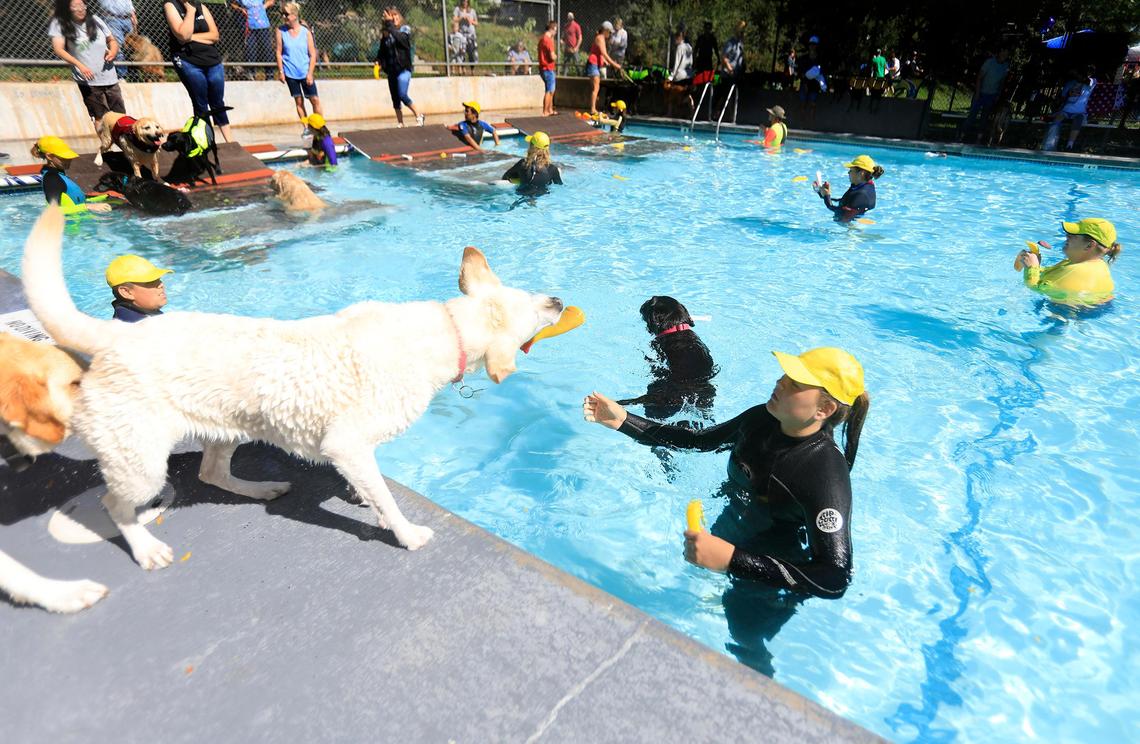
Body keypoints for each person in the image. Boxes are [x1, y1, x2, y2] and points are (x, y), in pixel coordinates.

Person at [582, 346, 870, 602]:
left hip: (774, 570)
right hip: (730, 526)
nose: (779, 382)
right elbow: (697, 441)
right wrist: (622, 420)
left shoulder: (825, 474)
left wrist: (733, 560)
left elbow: (834, 578)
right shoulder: (761, 419)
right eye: (784, 375)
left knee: (743, 638)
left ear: (824, 408)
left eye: (793, 382)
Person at [49, 0, 124, 137]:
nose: (80, 9)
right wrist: (80, 65)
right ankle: (107, 148)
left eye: (82, 5)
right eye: (75, 6)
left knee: (120, 115)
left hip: (109, 76)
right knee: (100, 116)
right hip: (88, 81)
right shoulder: (59, 24)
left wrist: (113, 51)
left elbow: (111, 40)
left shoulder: (95, 20)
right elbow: (58, 49)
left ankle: (123, 146)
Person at [164, 0, 233, 143]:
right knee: (200, 103)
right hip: (188, 61)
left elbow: (214, 35)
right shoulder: (171, 6)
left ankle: (230, 142)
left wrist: (191, 37)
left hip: (212, 60)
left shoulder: (201, 6)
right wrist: (190, 12)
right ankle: (207, 141)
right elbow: (182, 35)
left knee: (218, 102)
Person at [1014, 219, 1120, 306]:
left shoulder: (1077, 271)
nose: (1067, 236)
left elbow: (1035, 287)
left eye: (1073, 235)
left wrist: (1031, 269)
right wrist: (1036, 264)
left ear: (1089, 245)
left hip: (1073, 311)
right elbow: (1055, 275)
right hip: (1095, 305)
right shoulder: (1091, 263)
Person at [31, 135, 111, 213]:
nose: (68, 160)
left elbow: (78, 198)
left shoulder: (59, 175)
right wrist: (88, 207)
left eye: (68, 157)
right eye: (63, 157)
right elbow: (53, 211)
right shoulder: (52, 179)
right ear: (49, 156)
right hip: (70, 226)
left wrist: (106, 197)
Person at [375, 6, 424, 127]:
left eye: (396, 15)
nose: (394, 18)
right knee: (395, 98)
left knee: (402, 94)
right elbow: (382, 50)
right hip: (392, 70)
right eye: (392, 16)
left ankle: (419, 115)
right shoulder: (386, 33)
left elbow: (401, 40)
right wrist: (378, 60)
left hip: (403, 69)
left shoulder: (404, 29)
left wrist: (390, 24)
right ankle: (400, 122)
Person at [276, 2, 321, 128]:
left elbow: (312, 54)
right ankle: (306, 128)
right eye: (282, 14)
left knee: (314, 100)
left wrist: (310, 74)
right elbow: (279, 53)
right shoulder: (280, 31)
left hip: (305, 72)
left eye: (287, 14)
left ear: (295, 15)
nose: (284, 17)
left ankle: (319, 127)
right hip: (291, 73)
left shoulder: (305, 32)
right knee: (299, 101)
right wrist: (281, 72)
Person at [815, 155, 883, 223]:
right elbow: (847, 201)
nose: (848, 173)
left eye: (851, 170)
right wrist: (823, 193)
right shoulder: (861, 186)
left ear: (861, 173)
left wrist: (827, 197)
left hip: (852, 227)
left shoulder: (861, 194)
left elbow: (842, 215)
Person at [1043, 66, 1096, 152]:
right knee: (1056, 121)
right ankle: (1050, 145)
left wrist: (1083, 75)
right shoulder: (1070, 83)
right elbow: (1064, 97)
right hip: (1066, 110)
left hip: (1079, 112)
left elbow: (1090, 81)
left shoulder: (1091, 82)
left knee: (1078, 120)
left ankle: (1069, 145)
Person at [961, 48, 1009, 143]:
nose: (1004, 55)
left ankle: (979, 138)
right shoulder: (989, 63)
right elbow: (979, 77)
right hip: (981, 93)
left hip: (991, 95)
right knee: (972, 116)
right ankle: (961, 136)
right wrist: (978, 93)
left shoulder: (1005, 66)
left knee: (984, 118)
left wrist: (998, 94)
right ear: (999, 53)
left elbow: (1002, 82)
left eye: (1006, 54)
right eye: (1003, 52)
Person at [105, 255, 171, 322]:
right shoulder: (137, 327)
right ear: (126, 292)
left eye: (158, 279)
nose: (161, 284)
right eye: (150, 282)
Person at [501, 131, 562, 196]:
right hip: (544, 198)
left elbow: (505, 177)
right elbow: (559, 186)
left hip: (522, 195)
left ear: (532, 147)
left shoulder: (523, 164)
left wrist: (520, 178)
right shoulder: (553, 169)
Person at [230, 0, 274, 79]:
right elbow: (233, 4)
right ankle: (251, 74)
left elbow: (272, 1)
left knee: (267, 49)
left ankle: (270, 75)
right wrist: (241, 9)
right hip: (249, 27)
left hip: (263, 26)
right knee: (250, 50)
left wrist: (264, 6)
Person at [586, 22, 622, 115]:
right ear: (605, 30)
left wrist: (605, 62)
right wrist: (615, 64)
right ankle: (592, 110)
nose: (610, 34)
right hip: (593, 64)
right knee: (596, 87)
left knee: (596, 88)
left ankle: (593, 109)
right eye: (609, 32)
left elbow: (600, 54)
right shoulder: (600, 38)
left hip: (595, 64)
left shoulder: (601, 38)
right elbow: (604, 53)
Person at [98, 0, 136, 79]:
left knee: (132, 49)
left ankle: (133, 76)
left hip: (128, 18)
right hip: (112, 18)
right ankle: (122, 76)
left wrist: (133, 14)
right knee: (118, 48)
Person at [664, 30, 693, 117]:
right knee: (686, 93)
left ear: (679, 38)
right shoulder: (689, 47)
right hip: (688, 75)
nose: (674, 40)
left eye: (675, 38)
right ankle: (692, 111)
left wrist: (671, 76)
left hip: (680, 75)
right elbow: (691, 61)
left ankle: (669, 113)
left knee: (671, 92)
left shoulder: (680, 47)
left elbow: (677, 64)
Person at [537, 20, 557, 115]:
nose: (555, 33)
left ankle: (550, 110)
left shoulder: (542, 39)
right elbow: (552, 56)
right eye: (555, 30)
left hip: (543, 68)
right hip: (548, 68)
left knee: (551, 90)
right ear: (552, 29)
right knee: (549, 90)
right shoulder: (548, 40)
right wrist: (556, 56)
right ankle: (545, 111)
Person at [453, 0, 478, 73]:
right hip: (462, 34)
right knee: (462, 52)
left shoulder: (472, 11)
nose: (465, 3)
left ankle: (472, 69)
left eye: (466, 1)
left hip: (471, 35)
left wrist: (470, 20)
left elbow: (476, 23)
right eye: (463, 1)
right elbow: (454, 19)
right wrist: (461, 18)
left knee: (471, 52)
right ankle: (463, 69)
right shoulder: (457, 9)